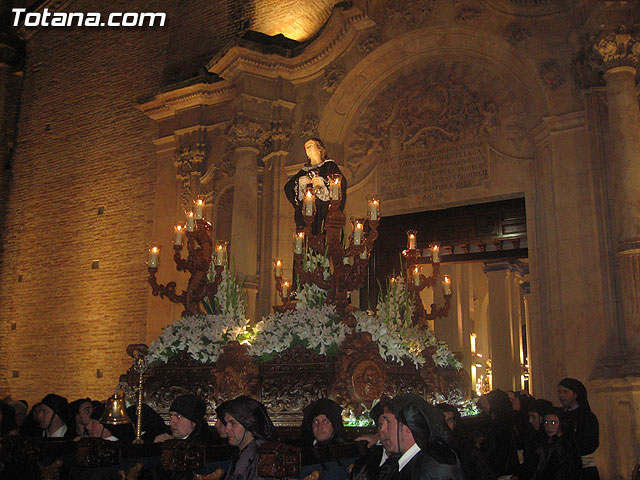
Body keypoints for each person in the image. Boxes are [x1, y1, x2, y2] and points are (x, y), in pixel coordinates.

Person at [386, 393, 463, 479]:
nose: (383, 430)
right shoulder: (421, 461)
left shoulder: (432, 467)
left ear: (407, 427)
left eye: (388, 422)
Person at [284, 138, 347, 234]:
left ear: (319, 149)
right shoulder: (303, 172)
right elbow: (288, 188)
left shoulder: (330, 166)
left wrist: (321, 182)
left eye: (310, 146)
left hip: (325, 213)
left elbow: (339, 184)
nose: (307, 149)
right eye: (306, 148)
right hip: (308, 217)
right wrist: (302, 182)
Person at [436, 403, 496, 480]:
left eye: (450, 421)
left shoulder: (465, 448)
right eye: (442, 421)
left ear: (455, 423)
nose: (446, 426)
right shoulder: (431, 450)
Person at [223, 395, 277, 480]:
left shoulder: (262, 457)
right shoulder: (243, 453)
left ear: (248, 425)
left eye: (232, 423)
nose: (227, 429)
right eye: (226, 423)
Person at [557, 378, 599, 480]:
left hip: (584, 470)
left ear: (575, 394)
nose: (561, 396)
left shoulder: (587, 417)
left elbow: (590, 444)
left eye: (565, 392)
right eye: (559, 392)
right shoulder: (558, 415)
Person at [349, 398, 398, 480]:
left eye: (389, 424)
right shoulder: (363, 467)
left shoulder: (412, 463)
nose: (384, 431)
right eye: (380, 426)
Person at [477, 389, 519, 477]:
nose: (484, 405)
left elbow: (491, 454)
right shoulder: (499, 423)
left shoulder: (500, 426)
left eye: (486, 402)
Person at [532, 407, 581, 480]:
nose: (549, 426)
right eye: (546, 422)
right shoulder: (545, 443)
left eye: (553, 422)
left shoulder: (566, 446)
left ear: (561, 423)